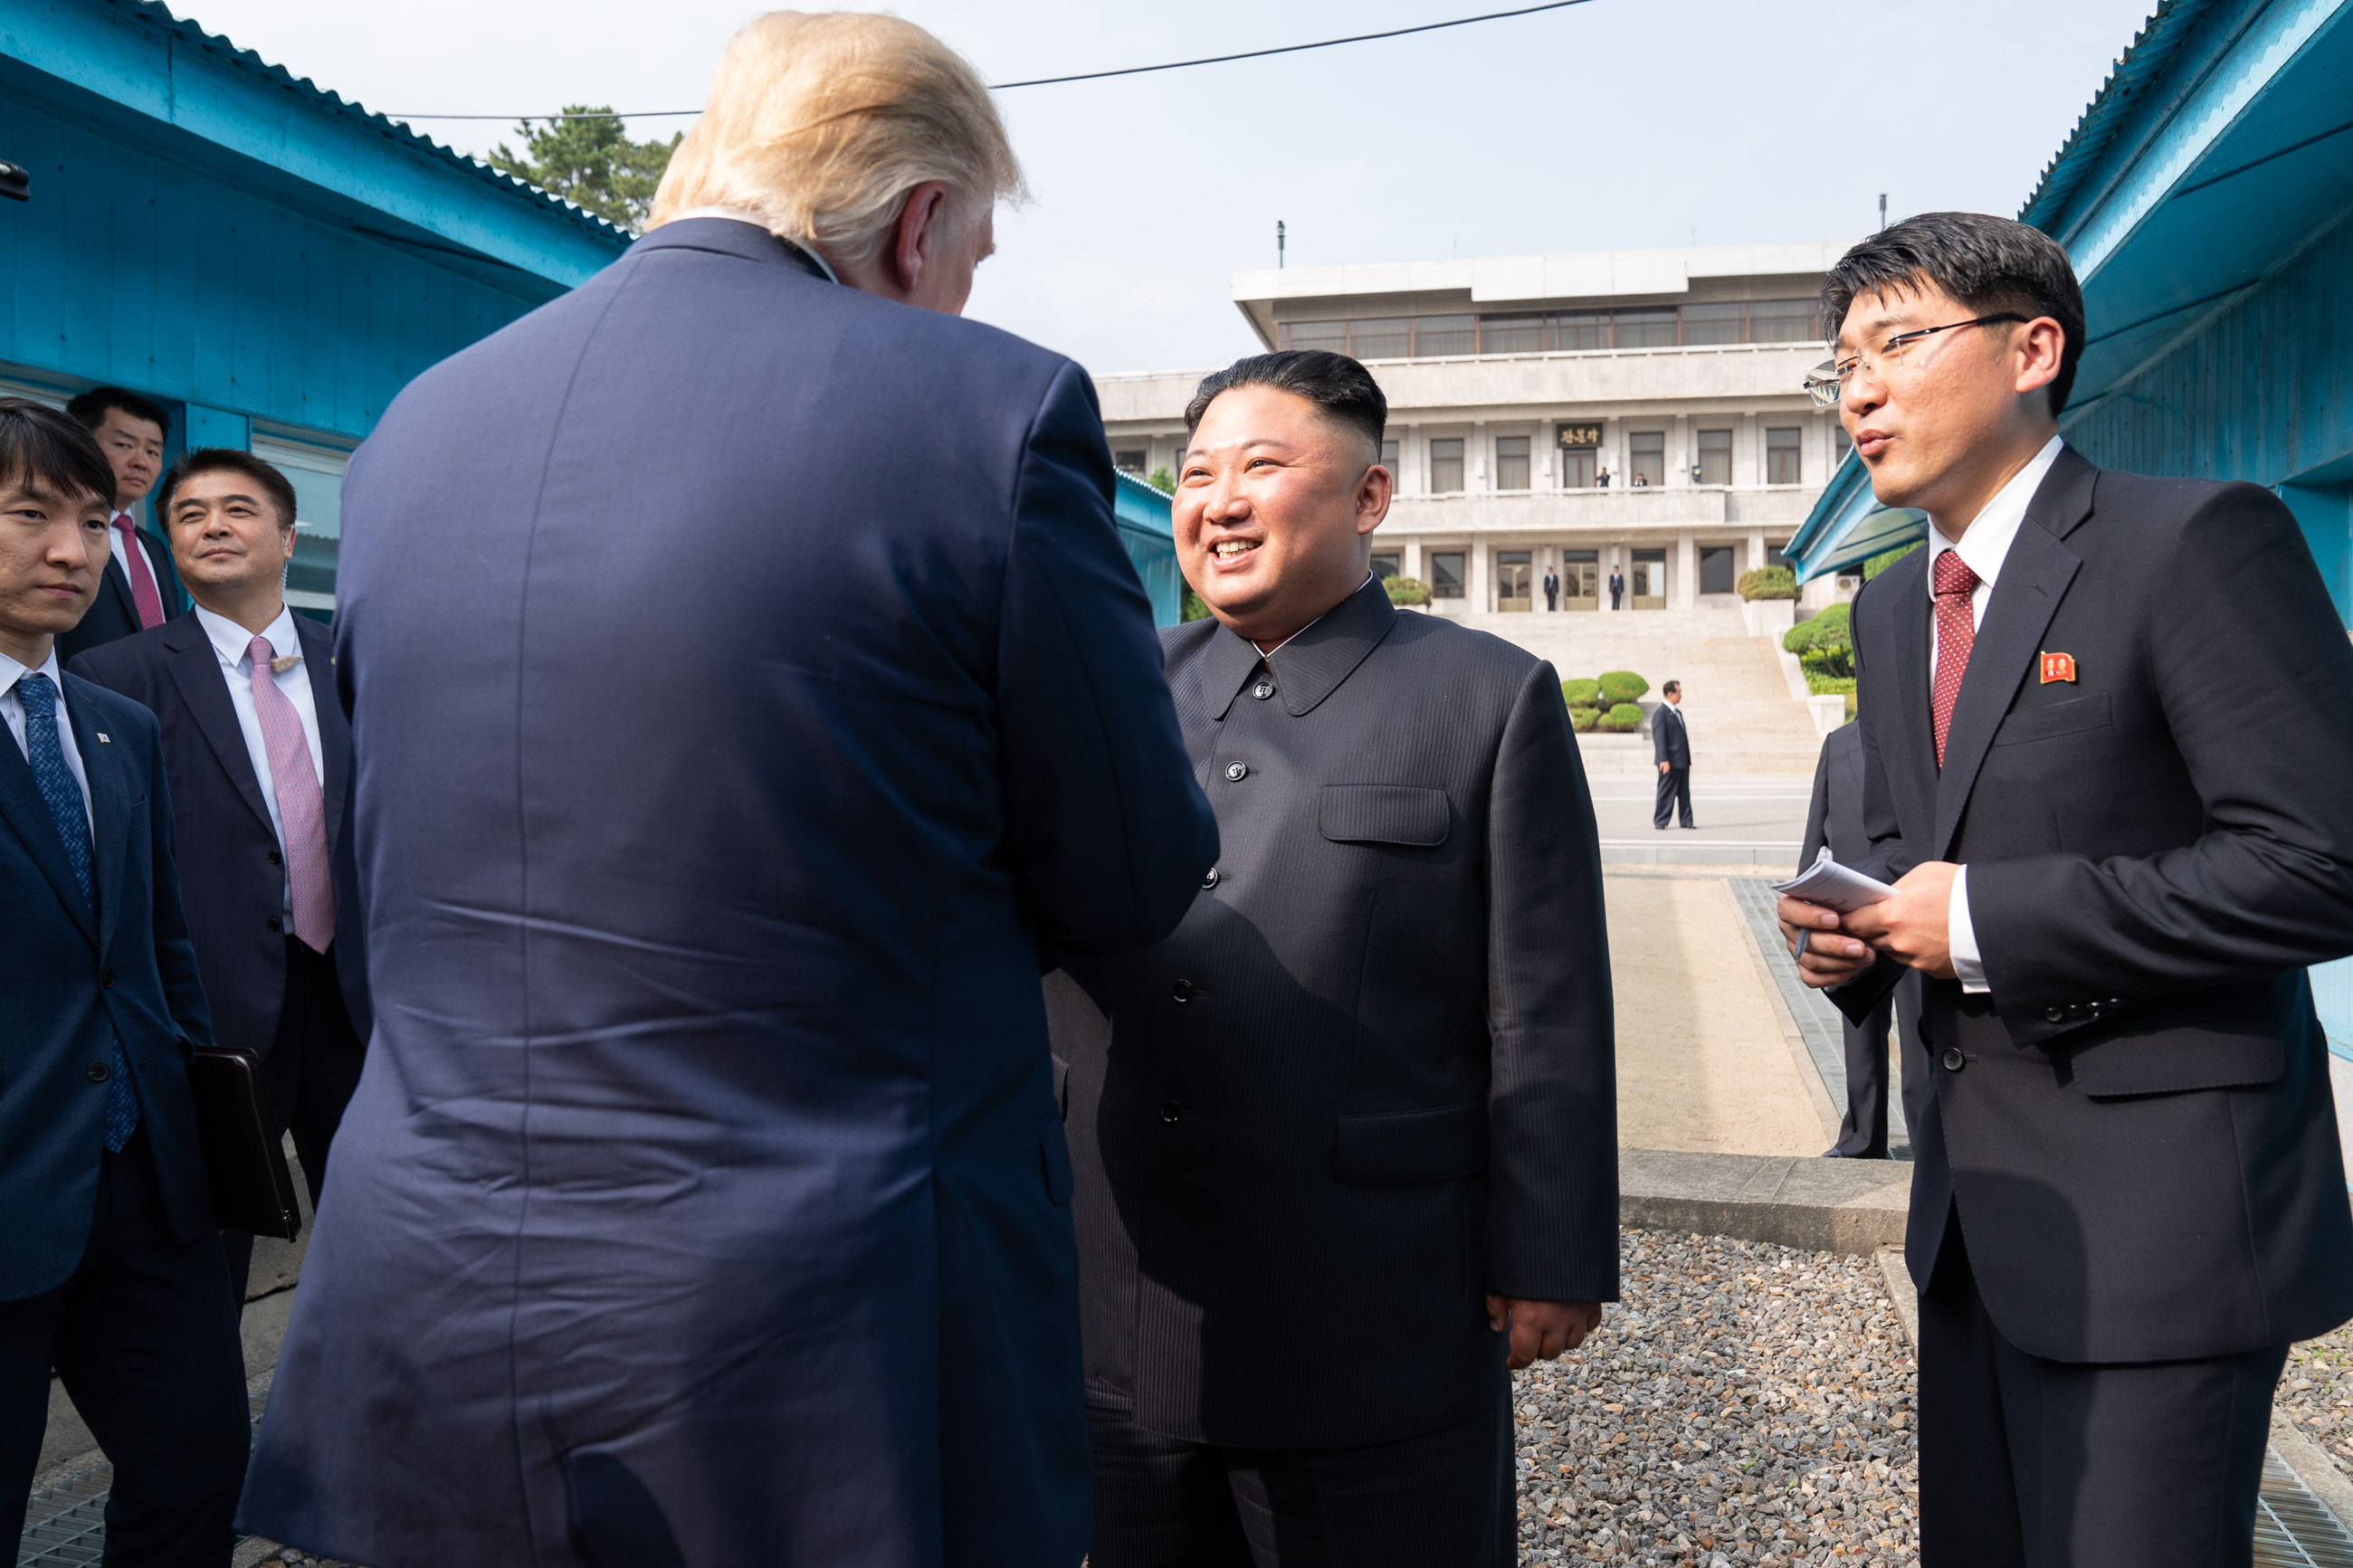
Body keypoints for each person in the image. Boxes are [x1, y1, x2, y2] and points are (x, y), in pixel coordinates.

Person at [236, 14, 1217, 1568]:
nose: (966, 294)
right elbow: (1127, 864)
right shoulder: (987, 410)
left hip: (440, 1295)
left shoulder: (422, 427)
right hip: (822, 1323)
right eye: (971, 250)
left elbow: (382, 878)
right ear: (914, 222)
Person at [1780, 212, 2353, 1565]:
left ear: (2033, 347)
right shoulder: (1887, 605)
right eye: (1839, 365)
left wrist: (1978, 920)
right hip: (1977, 1228)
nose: (1858, 390)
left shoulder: (2200, 541)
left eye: (1895, 345)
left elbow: (2320, 863)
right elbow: (1934, 854)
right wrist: (1856, 941)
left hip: (2166, 1229)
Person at [1047, 350, 1617, 1567]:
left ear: (1369, 498)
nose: (1218, 500)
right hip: (1116, 1288)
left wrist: (1551, 1250)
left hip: (1371, 1304)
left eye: (1263, 465)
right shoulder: (1114, 687)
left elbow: (1546, 1000)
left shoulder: (1487, 696)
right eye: (1196, 473)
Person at [0, 399, 251, 1566]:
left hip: (147, 1189)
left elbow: (161, 952)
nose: (70, 550)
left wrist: (204, 1137)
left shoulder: (116, 725)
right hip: (9, 1194)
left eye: (94, 523)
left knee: (197, 1471)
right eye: (30, 514)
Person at [71, 449, 372, 1307]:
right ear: (170, 546)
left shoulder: (354, 661)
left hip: (357, 996)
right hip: (214, 1011)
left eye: (238, 509)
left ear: (287, 537)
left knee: (383, 1227)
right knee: (211, 1246)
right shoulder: (115, 676)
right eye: (190, 514)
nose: (212, 525)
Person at [1799, 720, 1924, 1158]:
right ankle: (1861, 1140)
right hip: (1850, 914)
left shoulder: (1917, 736)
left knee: (1919, 1035)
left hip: (1912, 910)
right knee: (1859, 1033)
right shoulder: (1837, 743)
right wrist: (1805, 901)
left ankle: (1927, 1143)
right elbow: (1818, 823)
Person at [57, 387, 186, 663]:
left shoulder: (153, 547)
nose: (140, 462)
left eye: (153, 451)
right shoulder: (60, 535)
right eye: (124, 445)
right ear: (81, 443)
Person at [1652, 679, 1692, 829]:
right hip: (1669, 761)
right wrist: (1663, 759)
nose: (1681, 695)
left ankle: (1686, 820)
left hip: (1682, 760)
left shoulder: (1677, 713)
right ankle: (1661, 820)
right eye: (1679, 692)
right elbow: (1659, 738)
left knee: (1684, 794)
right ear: (1670, 694)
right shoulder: (1661, 713)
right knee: (1666, 792)